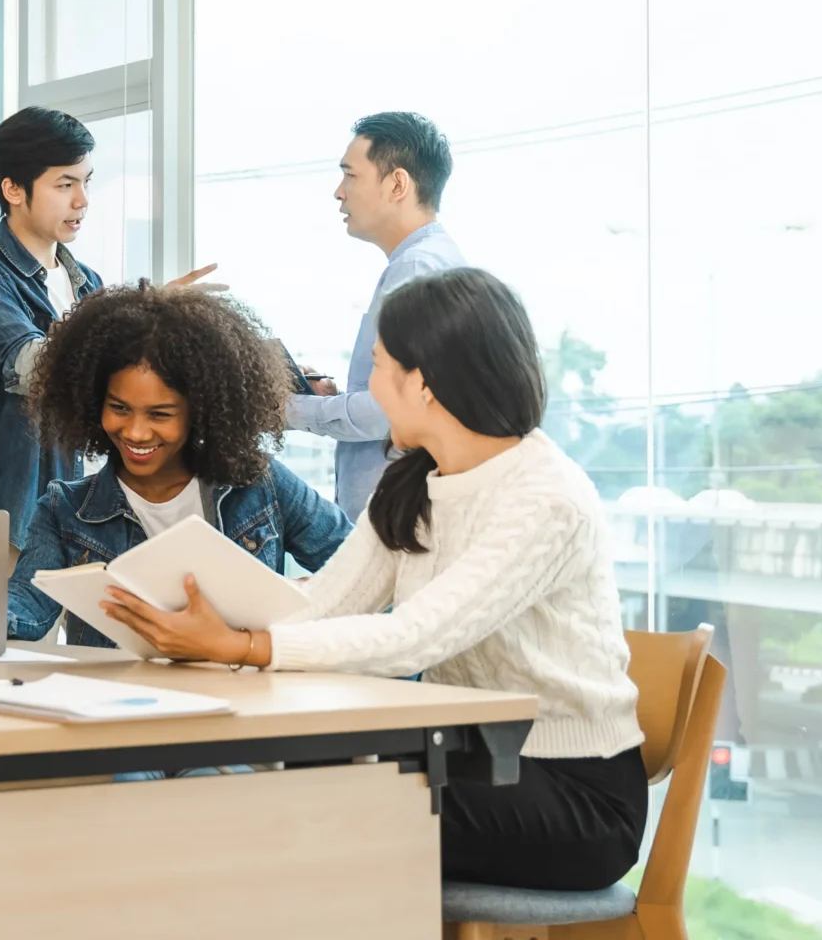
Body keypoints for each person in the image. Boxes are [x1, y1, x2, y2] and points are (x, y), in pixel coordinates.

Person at [100, 267, 646, 893]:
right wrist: (204, 625)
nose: (370, 388)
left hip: (575, 793)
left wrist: (243, 646)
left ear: (424, 383)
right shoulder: (413, 481)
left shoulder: (547, 498)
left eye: (380, 367)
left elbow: (415, 636)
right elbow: (323, 603)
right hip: (468, 759)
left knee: (314, 810)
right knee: (281, 789)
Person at [7, 285, 351, 647]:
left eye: (160, 414)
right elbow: (26, 608)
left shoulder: (262, 484)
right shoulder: (65, 510)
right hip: (119, 684)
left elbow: (366, 578)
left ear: (199, 412)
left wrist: (302, 594)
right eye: (119, 408)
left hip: (242, 681)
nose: (136, 432)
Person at [0, 106, 214, 542]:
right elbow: (34, 367)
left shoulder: (88, 283)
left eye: (86, 182)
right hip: (13, 522)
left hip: (91, 517)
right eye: (65, 184)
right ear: (13, 189)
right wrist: (142, 312)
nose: (82, 200)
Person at [286, 111, 466, 518]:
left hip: (399, 521)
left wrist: (289, 409)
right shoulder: (427, 262)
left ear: (398, 184)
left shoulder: (417, 269)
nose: (339, 192)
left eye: (350, 175)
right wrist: (337, 400)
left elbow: (395, 408)